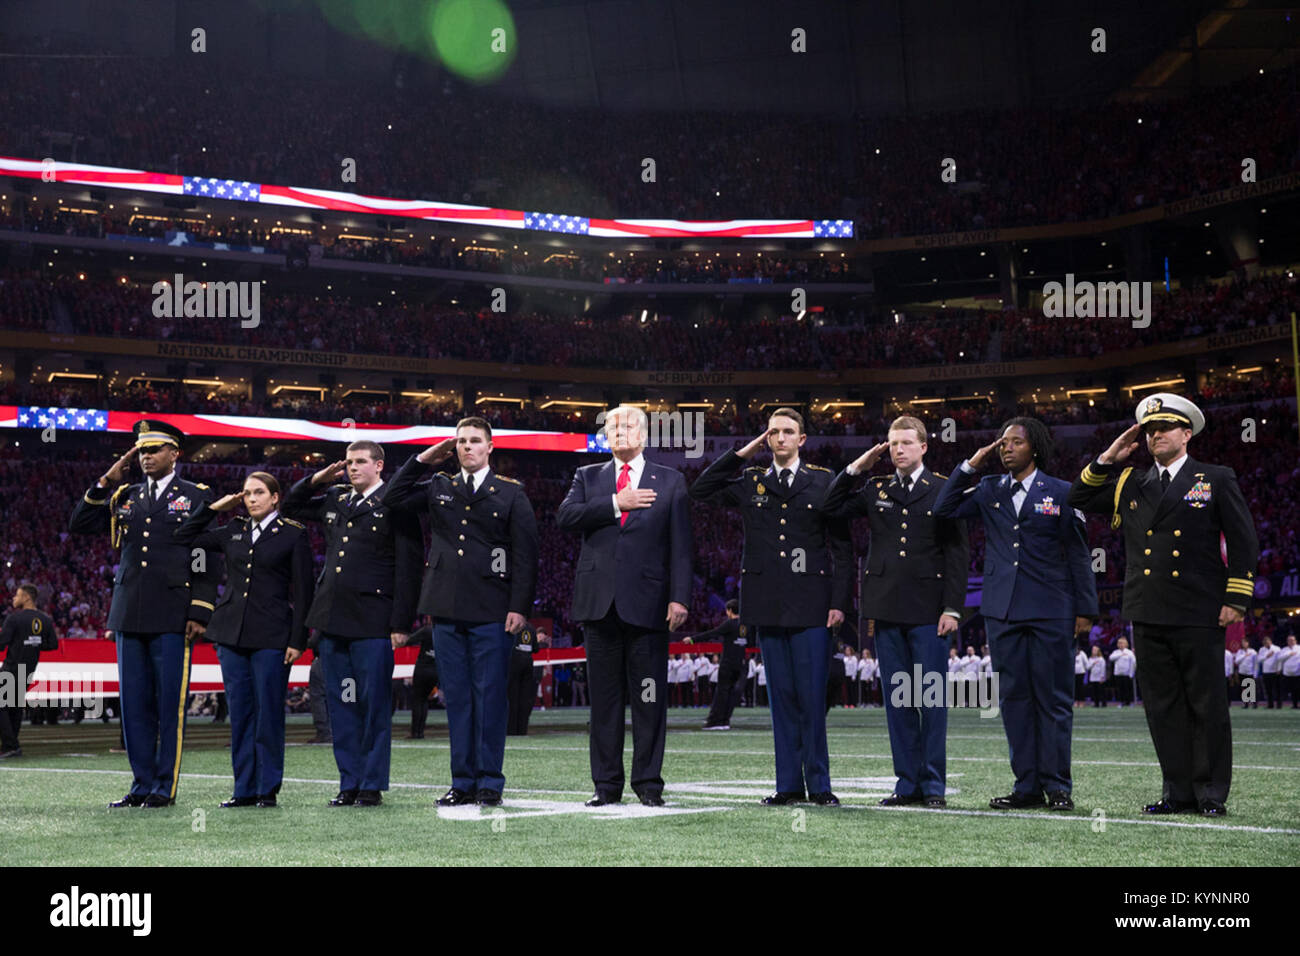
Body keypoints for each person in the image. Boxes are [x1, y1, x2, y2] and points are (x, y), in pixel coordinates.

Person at [1068, 393, 1258, 816]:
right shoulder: (1129, 480)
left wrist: (1237, 598)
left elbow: (1244, 542)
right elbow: (1078, 497)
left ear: (1186, 433)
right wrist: (1107, 458)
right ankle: (1178, 791)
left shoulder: (1215, 477)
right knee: (1162, 706)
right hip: (1147, 608)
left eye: (1165, 428)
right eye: (1150, 430)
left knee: (1206, 703)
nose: (1155, 435)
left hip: (1199, 608)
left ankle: (1210, 793)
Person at [690, 408, 852, 807]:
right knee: (779, 698)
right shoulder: (752, 480)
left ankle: (820, 785)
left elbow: (843, 549)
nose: (780, 438)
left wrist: (839, 603)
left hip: (812, 604)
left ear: (802, 439)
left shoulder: (823, 481)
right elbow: (701, 489)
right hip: (766, 605)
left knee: (812, 698)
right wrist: (743, 452)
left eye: (788, 432)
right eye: (773, 432)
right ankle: (788, 785)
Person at [935, 417, 1097, 812]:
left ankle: (1058, 786)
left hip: (1051, 609)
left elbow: (1079, 553)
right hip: (1001, 610)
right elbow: (943, 509)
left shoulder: (1061, 491)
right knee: (1014, 700)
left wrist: (1086, 609)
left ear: (1035, 448)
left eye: (1015, 442)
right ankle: (1026, 786)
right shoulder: (989, 488)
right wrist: (970, 465)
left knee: (1054, 699)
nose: (1006, 448)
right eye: (1002, 442)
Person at [385, 419, 539, 807]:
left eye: (474, 441)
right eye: (461, 442)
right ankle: (462, 782)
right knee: (456, 698)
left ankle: (489, 782)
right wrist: (422, 459)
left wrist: (519, 606)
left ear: (490, 447)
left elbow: (525, 556)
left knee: (489, 698)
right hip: (445, 607)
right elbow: (391, 498)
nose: (467, 447)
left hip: (491, 608)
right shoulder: (439, 485)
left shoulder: (509, 494)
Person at [68, 420, 218, 807]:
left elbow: (204, 555)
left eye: (154, 450)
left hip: (173, 613)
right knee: (134, 705)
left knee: (169, 704)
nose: (146, 457)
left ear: (175, 453)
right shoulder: (125, 494)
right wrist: (104, 481)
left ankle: (162, 787)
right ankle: (140, 784)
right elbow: (80, 524)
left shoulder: (196, 495)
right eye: (142, 451)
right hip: (129, 613)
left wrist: (200, 609)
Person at [822, 417, 968, 807]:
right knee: (899, 700)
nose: (898, 450)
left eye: (906, 442)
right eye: (892, 444)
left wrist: (953, 608)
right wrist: (857, 468)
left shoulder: (942, 489)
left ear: (924, 447)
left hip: (929, 610)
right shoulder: (876, 488)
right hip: (885, 607)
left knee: (931, 701)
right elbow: (830, 505)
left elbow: (957, 553)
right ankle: (907, 783)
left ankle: (933, 785)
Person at [556, 405, 692, 807]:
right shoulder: (588, 476)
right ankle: (606, 786)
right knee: (605, 702)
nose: (620, 431)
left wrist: (679, 596)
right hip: (598, 606)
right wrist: (617, 502)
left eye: (628, 424)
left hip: (649, 606)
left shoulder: (670, 481)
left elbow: (682, 547)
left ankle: (649, 784)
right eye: (612, 425)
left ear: (645, 434)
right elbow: (565, 517)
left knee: (649, 698)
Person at [283, 439, 423, 808]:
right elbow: (289, 506)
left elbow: (409, 568)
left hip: (373, 622)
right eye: (348, 462)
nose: (351, 468)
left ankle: (371, 784)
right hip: (332, 622)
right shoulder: (336, 499)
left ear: (379, 466)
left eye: (360, 461)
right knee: (341, 704)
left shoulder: (396, 503)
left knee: (372, 705)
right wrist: (317, 478)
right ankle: (349, 782)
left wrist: (400, 623)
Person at [173, 471, 314, 808]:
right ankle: (244, 789)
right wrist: (214, 508)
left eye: (259, 493)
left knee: (268, 714)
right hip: (230, 634)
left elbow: (305, 592)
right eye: (247, 493)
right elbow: (184, 536)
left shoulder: (293, 534)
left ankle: (267, 789)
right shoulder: (233, 529)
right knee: (241, 714)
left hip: (272, 636)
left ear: (275, 497)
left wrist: (298, 639)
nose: (251, 499)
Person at [0, 584, 58, 758]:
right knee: (15, 706)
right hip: (29, 668)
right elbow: (52, 645)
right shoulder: (45, 619)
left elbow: (2, 644)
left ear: (26, 598)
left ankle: (10, 745)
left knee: (4, 705)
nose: (14, 599)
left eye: (17, 596)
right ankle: (11, 746)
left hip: (12, 667)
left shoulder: (14, 619)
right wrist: (35, 643)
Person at [694, 599, 746, 730]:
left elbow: (712, 633)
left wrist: (692, 640)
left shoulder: (729, 624)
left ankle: (714, 722)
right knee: (731, 694)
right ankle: (725, 721)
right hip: (739, 664)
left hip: (727, 664)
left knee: (721, 692)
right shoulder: (745, 625)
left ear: (729, 611)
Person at [504, 624, 545, 735]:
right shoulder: (531, 629)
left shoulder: (511, 627)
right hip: (528, 663)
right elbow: (536, 649)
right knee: (525, 699)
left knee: (512, 697)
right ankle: (522, 730)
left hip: (514, 662)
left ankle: (511, 730)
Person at [407, 623, 437, 739]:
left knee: (417, 700)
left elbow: (410, 640)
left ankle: (415, 732)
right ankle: (421, 731)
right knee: (424, 700)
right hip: (435, 670)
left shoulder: (427, 630)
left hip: (422, 668)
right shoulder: (442, 632)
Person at [1109, 637, 1137, 707]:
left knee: (1128, 689)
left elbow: (1133, 663)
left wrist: (1131, 673)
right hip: (1118, 673)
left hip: (1127, 674)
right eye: (1119, 643)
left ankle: (1129, 702)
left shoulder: (1129, 652)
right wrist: (1120, 655)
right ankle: (1122, 702)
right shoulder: (1116, 652)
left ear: (1125, 644)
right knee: (1120, 689)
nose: (1120, 644)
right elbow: (1111, 658)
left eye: (1122, 643)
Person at [1257, 635, 1281, 709]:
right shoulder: (1261, 649)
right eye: (1264, 642)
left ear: (1270, 641)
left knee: (1277, 689)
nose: (1266, 643)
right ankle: (1270, 705)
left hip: (1275, 671)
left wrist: (1279, 669)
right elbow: (1259, 660)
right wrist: (1266, 656)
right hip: (1266, 671)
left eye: (1267, 642)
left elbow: (1279, 660)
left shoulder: (1277, 648)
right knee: (1268, 690)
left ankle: (1279, 705)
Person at [1234, 639, 1258, 708]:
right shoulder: (1239, 652)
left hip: (1250, 672)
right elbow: (1236, 661)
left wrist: (1255, 673)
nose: (1244, 644)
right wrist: (1244, 656)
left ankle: (1254, 704)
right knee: (1244, 689)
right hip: (1242, 672)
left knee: (1252, 688)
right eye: (1243, 643)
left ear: (1248, 643)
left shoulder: (1253, 652)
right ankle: (1246, 704)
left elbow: (1255, 663)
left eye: (1245, 643)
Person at [1279, 634, 1300, 708]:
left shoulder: (1299, 648)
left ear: (1296, 641)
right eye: (1289, 640)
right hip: (1287, 673)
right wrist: (1289, 654)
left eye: (1292, 640)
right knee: (1286, 690)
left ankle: (1296, 705)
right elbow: (1280, 658)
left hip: (1297, 673)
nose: (1291, 641)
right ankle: (1280, 705)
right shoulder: (1284, 649)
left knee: (1297, 690)